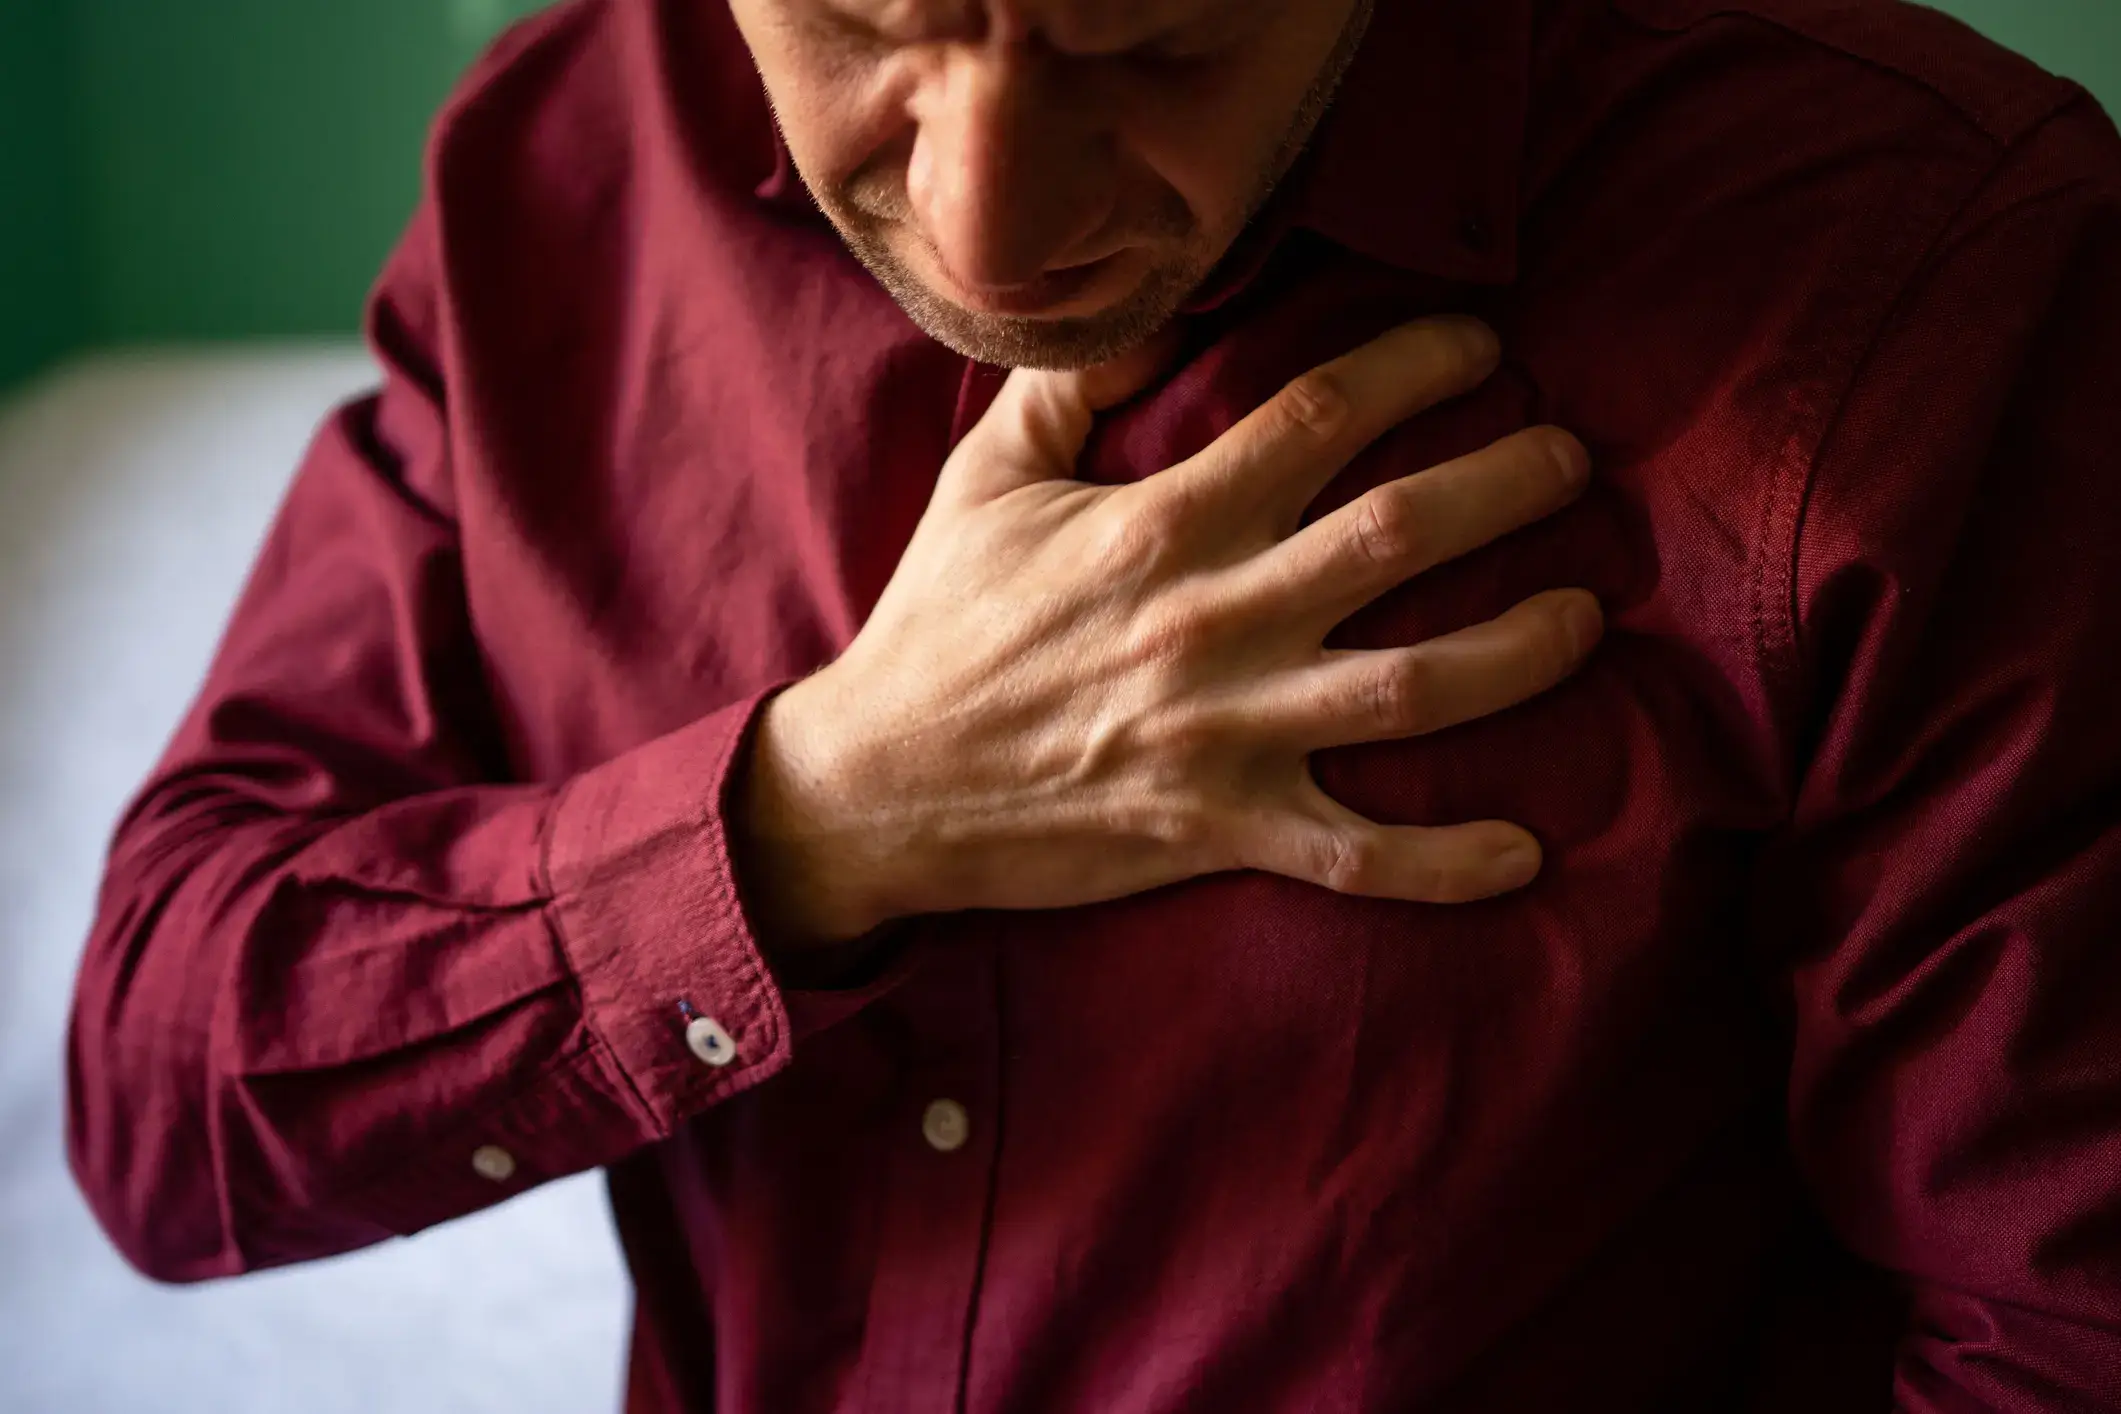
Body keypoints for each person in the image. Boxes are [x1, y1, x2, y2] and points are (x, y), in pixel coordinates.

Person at [64, 0, 2121, 1408]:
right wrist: (816, 817)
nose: (991, 227)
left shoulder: (1917, 269)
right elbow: (166, 1099)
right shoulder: (552, 176)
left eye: (1149, 41)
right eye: (862, 28)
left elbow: (2053, 1328)